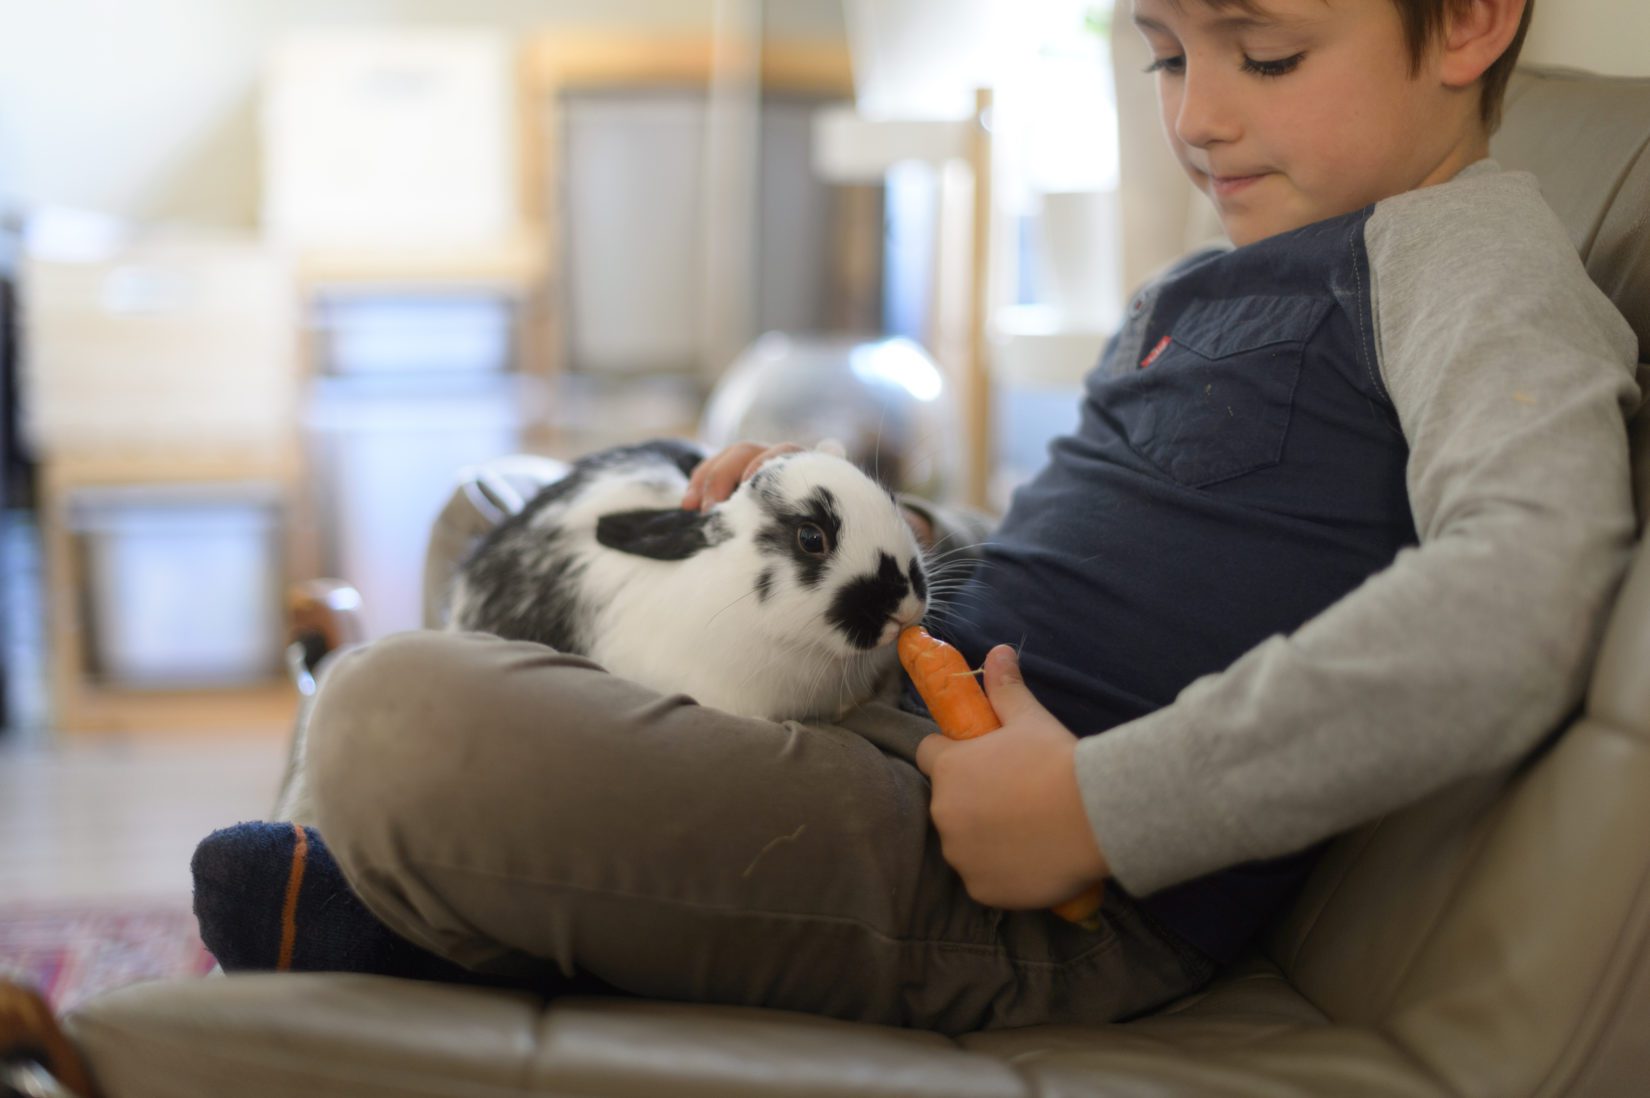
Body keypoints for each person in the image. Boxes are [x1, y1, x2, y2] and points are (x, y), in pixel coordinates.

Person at [197, 0, 1640, 1036]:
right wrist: (842, 514)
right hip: (901, 700)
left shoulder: (1466, 258)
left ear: (1464, 24)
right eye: (1162, 53)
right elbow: (1057, 542)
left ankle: (390, 898)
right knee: (494, 512)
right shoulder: (1210, 284)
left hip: (1015, 882)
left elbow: (1517, 594)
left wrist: (1097, 807)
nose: (1198, 112)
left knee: (396, 713)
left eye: (1262, 51)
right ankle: (443, 874)